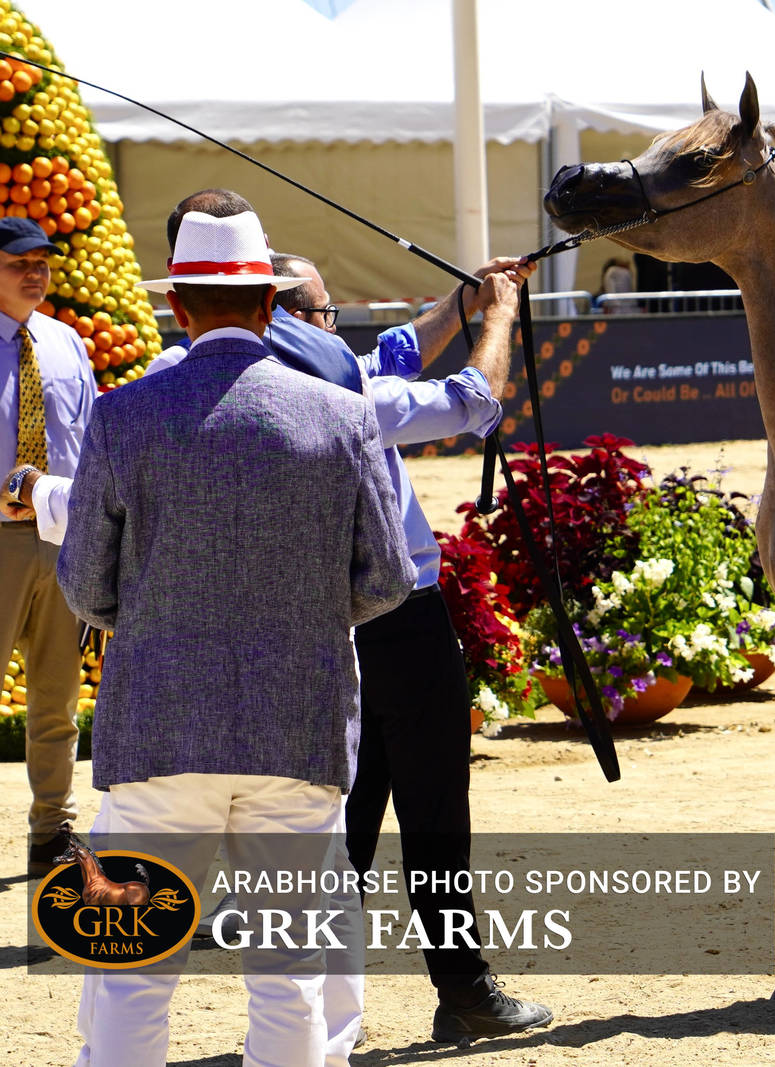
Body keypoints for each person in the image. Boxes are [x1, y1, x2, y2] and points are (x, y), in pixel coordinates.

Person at [56, 209, 417, 1067]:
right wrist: (300, 618)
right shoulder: (341, 415)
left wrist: (150, 618)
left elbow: (84, 584)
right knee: (288, 972)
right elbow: (388, 580)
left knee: (133, 965)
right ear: (269, 306)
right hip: (295, 725)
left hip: (158, 727)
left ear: (177, 308)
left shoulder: (123, 417)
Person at [277, 248, 557, 1045]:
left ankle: (327, 1007)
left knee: (348, 813)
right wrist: (497, 315)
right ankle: (462, 987)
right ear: (300, 319)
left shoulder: (293, 375)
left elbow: (399, 350)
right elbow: (473, 398)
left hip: (322, 619)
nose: (340, 326)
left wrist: (461, 299)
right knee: (428, 806)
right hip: (396, 616)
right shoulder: (346, 391)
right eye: (329, 313)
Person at [0, 215, 94, 877]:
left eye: (42, 261)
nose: (35, 272)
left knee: (56, 699)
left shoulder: (66, 342)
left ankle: (51, 833)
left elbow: (90, 439)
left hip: (62, 543)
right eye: (18, 263)